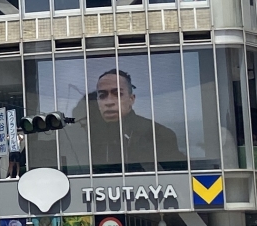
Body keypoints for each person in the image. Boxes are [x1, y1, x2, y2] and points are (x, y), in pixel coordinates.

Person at [54, 66, 183, 173]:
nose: (109, 102)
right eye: (102, 96)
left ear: (131, 99)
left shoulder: (158, 134)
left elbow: (178, 180)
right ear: (97, 102)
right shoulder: (83, 136)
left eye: (117, 94)